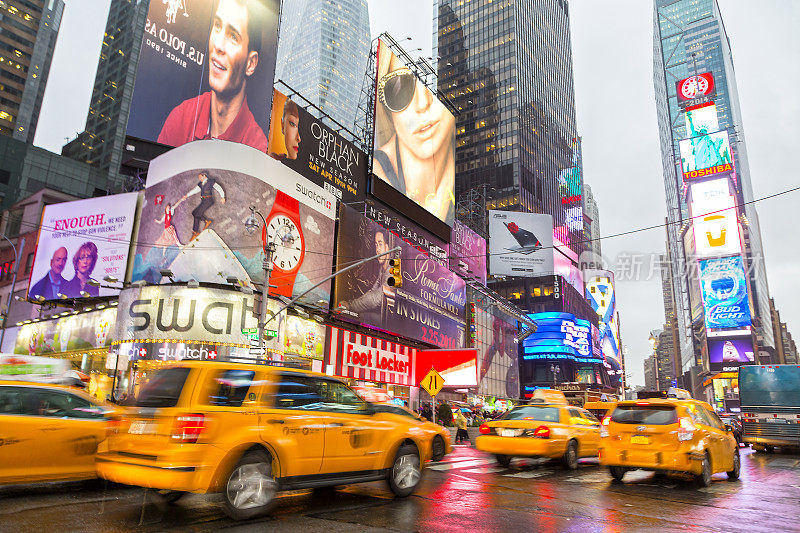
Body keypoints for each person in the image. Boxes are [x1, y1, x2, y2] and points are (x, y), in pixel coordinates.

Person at [157, 0, 268, 151]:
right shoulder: (181, 118)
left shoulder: (258, 147)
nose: (219, 45)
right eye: (217, 25)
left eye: (233, 37)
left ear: (250, 64)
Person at [373, 44, 455, 223]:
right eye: (400, 89)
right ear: (387, 110)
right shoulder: (378, 171)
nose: (422, 103)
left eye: (430, 90)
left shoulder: (455, 194)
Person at [339, 229, 394, 325]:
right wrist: (351, 304)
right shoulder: (382, 270)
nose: (377, 249)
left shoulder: (393, 271)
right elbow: (372, 291)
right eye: (376, 245)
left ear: (388, 247)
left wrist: (351, 306)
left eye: (380, 244)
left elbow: (376, 299)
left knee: (361, 316)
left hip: (392, 324)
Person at [179, 170, 226, 241]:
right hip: (203, 201)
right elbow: (195, 190)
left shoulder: (211, 182)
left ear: (204, 176)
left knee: (197, 215)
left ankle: (195, 232)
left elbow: (219, 188)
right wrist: (187, 195)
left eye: (200, 177)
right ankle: (206, 221)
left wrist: (223, 197)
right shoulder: (201, 184)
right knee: (194, 213)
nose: (200, 179)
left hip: (209, 201)